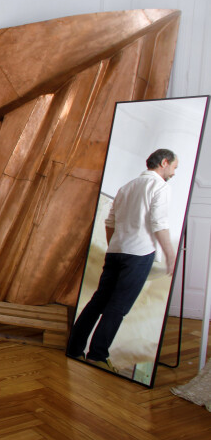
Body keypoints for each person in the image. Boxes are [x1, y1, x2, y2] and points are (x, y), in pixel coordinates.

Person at [67, 148, 178, 372]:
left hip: (116, 251)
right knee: (117, 308)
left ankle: (73, 348)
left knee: (98, 301)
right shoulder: (160, 186)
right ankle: (97, 356)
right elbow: (159, 224)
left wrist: (114, 246)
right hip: (139, 254)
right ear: (164, 162)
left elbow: (110, 222)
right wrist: (170, 255)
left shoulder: (126, 187)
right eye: (174, 167)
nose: (174, 173)